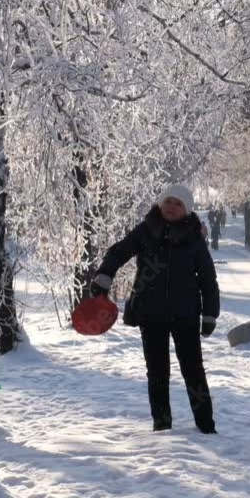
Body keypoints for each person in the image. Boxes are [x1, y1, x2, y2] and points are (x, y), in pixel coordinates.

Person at [90, 184, 220, 434]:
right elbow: (119, 251)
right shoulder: (147, 230)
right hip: (151, 313)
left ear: (186, 210)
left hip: (186, 314)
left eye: (177, 204)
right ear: (160, 204)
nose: (171, 207)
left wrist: (210, 314)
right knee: (157, 371)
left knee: (193, 370)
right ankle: (161, 423)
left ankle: (205, 424)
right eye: (168, 202)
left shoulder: (194, 238)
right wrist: (104, 276)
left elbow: (207, 278)